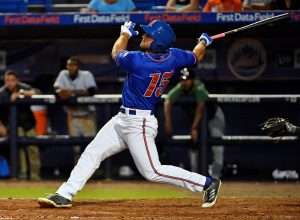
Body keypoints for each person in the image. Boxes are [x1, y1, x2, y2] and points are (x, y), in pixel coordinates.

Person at [38, 20, 221, 209]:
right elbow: (195, 56)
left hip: (139, 123)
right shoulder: (174, 57)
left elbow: (116, 52)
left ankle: (206, 184)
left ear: (158, 42)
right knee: (92, 153)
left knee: (152, 171)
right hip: (122, 119)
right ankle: (64, 194)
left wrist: (124, 33)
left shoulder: (139, 61)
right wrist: (204, 42)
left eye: (149, 35)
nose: (144, 36)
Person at [164, 68, 225, 178]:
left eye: (187, 79)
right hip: (197, 119)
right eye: (183, 79)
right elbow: (167, 102)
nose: (185, 82)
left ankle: (216, 175)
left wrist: (194, 128)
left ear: (193, 79)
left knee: (217, 144)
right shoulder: (180, 87)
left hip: (213, 116)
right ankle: (195, 175)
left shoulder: (199, 87)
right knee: (194, 143)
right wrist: (168, 123)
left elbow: (200, 108)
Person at [54, 57, 97, 164]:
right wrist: (60, 92)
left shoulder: (86, 75)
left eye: (74, 65)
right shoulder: (63, 74)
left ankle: (95, 172)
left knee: (91, 146)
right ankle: (78, 173)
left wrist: (70, 92)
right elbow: (56, 90)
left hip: (87, 114)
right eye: (69, 65)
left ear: (78, 67)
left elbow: (91, 91)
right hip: (72, 115)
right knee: (75, 148)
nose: (71, 67)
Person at [0, 70, 41, 180]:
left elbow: (37, 92)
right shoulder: (2, 92)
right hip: (13, 125)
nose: (10, 83)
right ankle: (22, 175)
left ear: (17, 80)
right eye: (7, 80)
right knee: (20, 150)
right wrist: (1, 125)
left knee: (33, 149)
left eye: (12, 80)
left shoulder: (22, 87)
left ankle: (35, 176)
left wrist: (21, 94)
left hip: (28, 123)